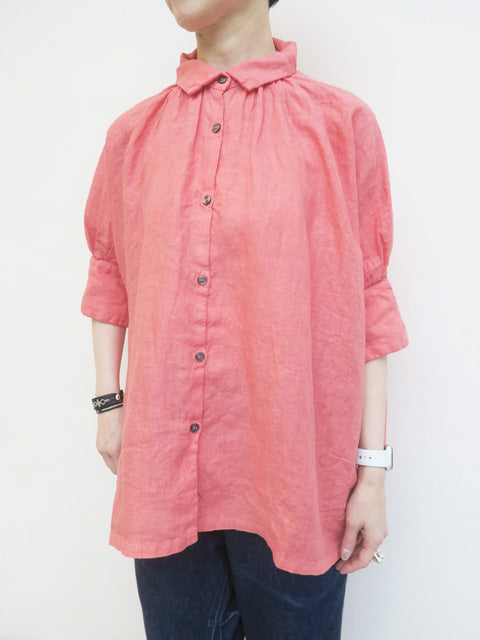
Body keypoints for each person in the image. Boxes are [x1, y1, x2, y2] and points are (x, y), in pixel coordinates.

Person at [80, 1, 409, 638]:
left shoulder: (339, 125)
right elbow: (109, 273)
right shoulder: (134, 134)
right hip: (165, 475)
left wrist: (372, 474)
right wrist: (109, 407)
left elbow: (368, 300)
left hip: (295, 482)